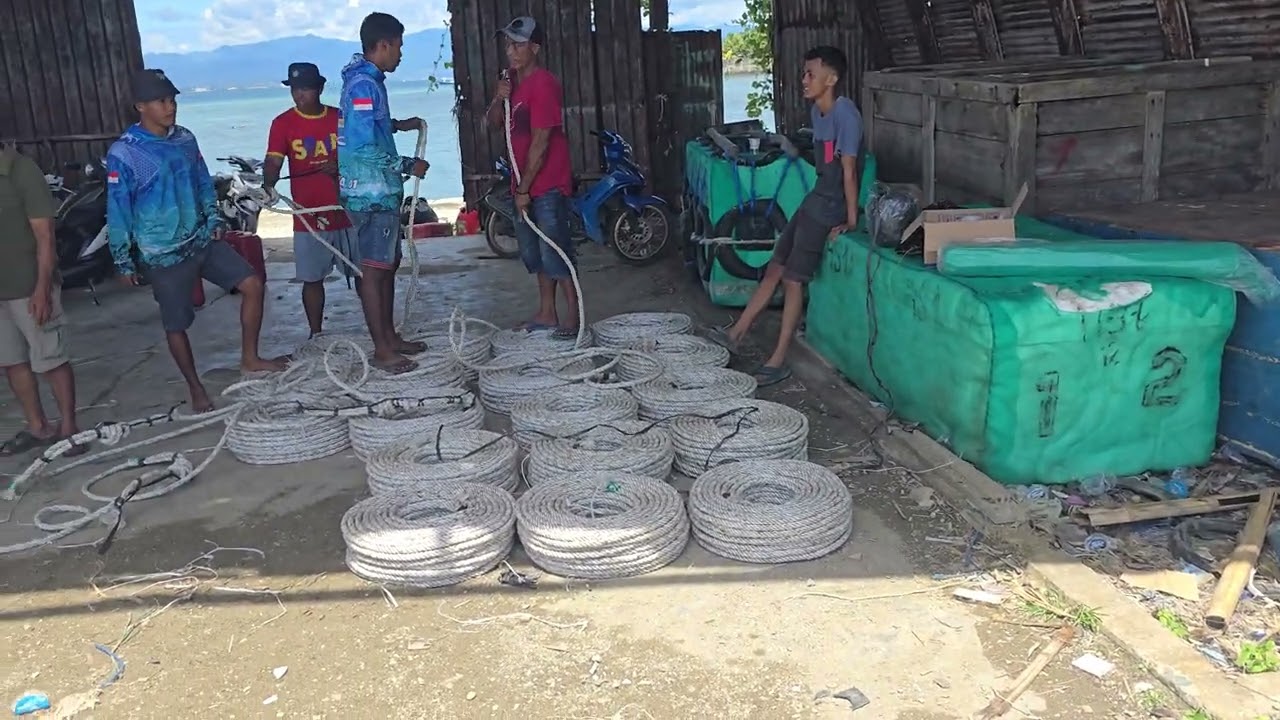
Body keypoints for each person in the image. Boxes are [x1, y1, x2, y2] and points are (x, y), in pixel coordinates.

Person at [106, 69, 287, 413]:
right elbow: (118, 211)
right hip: (162, 254)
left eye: (172, 100)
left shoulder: (185, 139)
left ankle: (250, 358)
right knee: (176, 323)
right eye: (161, 101)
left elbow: (203, 182)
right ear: (140, 106)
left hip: (202, 239)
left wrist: (213, 218)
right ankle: (195, 388)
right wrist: (123, 260)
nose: (170, 106)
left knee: (251, 283)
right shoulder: (124, 154)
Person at [707, 46, 863, 386]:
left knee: (793, 280)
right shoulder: (817, 114)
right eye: (804, 73)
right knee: (775, 266)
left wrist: (851, 220)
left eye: (811, 74)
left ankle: (777, 361)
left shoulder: (846, 115)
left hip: (829, 207)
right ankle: (735, 334)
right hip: (814, 200)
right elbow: (826, 164)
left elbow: (849, 172)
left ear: (831, 78)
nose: (804, 79)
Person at [338, 12, 428, 374]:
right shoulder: (363, 85)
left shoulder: (367, 83)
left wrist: (395, 125)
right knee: (374, 271)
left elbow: (368, 125)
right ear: (384, 44)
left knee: (386, 266)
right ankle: (382, 350)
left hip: (378, 193)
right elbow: (360, 145)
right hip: (370, 195)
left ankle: (390, 339)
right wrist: (407, 164)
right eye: (400, 46)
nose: (401, 54)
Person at [486, 16, 578, 337]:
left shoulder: (544, 84)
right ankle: (547, 312)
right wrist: (500, 96)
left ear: (535, 48)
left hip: (546, 183)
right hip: (522, 183)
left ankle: (572, 315)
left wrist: (524, 188)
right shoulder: (510, 82)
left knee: (556, 248)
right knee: (535, 251)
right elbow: (493, 123)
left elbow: (541, 141)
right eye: (509, 44)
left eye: (519, 44)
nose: (511, 51)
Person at [0, 144, 83, 457]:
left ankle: (69, 428)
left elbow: (45, 235)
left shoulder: (21, 170)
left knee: (50, 358)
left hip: (29, 285)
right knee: (12, 362)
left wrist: (42, 288)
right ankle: (38, 426)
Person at [263, 61, 356, 338]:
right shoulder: (282, 124)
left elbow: (361, 156)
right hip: (308, 217)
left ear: (320, 88)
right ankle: (316, 334)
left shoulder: (341, 118)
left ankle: (379, 330)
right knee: (312, 279)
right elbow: (273, 162)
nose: (299, 95)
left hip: (349, 211)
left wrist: (339, 165)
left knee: (366, 275)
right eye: (294, 89)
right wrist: (267, 186)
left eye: (305, 89)